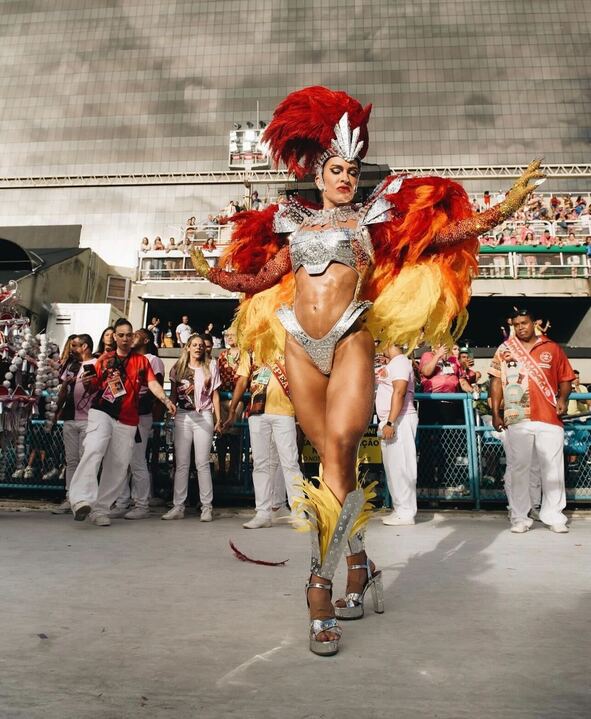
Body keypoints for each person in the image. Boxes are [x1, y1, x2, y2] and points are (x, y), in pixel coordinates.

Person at [189, 86, 543, 655]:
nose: (346, 177)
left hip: (351, 340)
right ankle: (359, 563)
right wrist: (211, 272)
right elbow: (255, 282)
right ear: (320, 175)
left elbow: (446, 234)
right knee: (332, 465)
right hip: (300, 346)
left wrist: (506, 207)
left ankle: (318, 588)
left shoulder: (376, 223)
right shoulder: (295, 226)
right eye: (337, 168)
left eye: (353, 169)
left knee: (339, 449)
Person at [68, 318, 176, 526]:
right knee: (94, 449)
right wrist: (88, 383)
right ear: (115, 337)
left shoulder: (142, 361)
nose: (126, 338)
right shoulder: (104, 360)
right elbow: (93, 387)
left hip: (128, 418)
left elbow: (153, 383)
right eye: (122, 335)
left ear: (133, 336)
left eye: (129, 334)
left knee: (118, 465)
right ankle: (80, 499)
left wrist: (165, 399)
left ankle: (100, 510)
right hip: (103, 411)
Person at [489, 308, 575, 534]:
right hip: (517, 416)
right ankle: (519, 517)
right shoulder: (505, 349)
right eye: (516, 324)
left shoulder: (552, 348)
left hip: (549, 417)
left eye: (524, 323)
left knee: (553, 468)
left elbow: (566, 378)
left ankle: (554, 515)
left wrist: (564, 399)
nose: (520, 327)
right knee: (519, 468)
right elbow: (496, 381)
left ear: (534, 323)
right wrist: (496, 412)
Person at [224, 353, 303, 529]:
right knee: (260, 463)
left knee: (290, 462)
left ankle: (299, 512)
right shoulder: (250, 350)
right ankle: (263, 513)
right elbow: (243, 380)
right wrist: (232, 411)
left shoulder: (287, 343)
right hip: (257, 412)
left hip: (285, 411)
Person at [162, 334, 221, 521]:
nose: (198, 348)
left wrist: (218, 418)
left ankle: (206, 507)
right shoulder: (177, 368)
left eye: (201, 345)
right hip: (182, 415)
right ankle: (178, 506)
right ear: (187, 347)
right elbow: (172, 395)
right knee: (182, 463)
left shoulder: (211, 366)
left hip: (203, 414)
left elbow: (215, 395)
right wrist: (169, 411)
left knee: (202, 462)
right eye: (194, 345)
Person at [111, 328, 165, 520]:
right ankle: (122, 501)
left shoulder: (152, 359)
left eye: (135, 335)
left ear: (146, 339)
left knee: (137, 460)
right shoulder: (126, 358)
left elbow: (154, 386)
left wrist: (140, 404)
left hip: (140, 414)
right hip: (122, 413)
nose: (130, 338)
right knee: (120, 460)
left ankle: (141, 504)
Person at [53, 334, 98, 514]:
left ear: (85, 346)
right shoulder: (71, 366)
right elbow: (63, 391)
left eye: (75, 345)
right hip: (70, 417)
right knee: (71, 460)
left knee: (85, 460)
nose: (71, 348)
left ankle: (84, 498)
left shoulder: (96, 363)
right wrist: (56, 410)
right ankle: (70, 496)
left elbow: (95, 389)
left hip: (88, 418)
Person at [375, 345, 418, 526]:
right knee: (393, 467)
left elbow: (399, 391)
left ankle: (407, 512)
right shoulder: (393, 364)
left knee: (402, 466)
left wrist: (391, 422)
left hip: (399, 419)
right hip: (391, 419)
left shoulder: (400, 362)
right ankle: (400, 508)